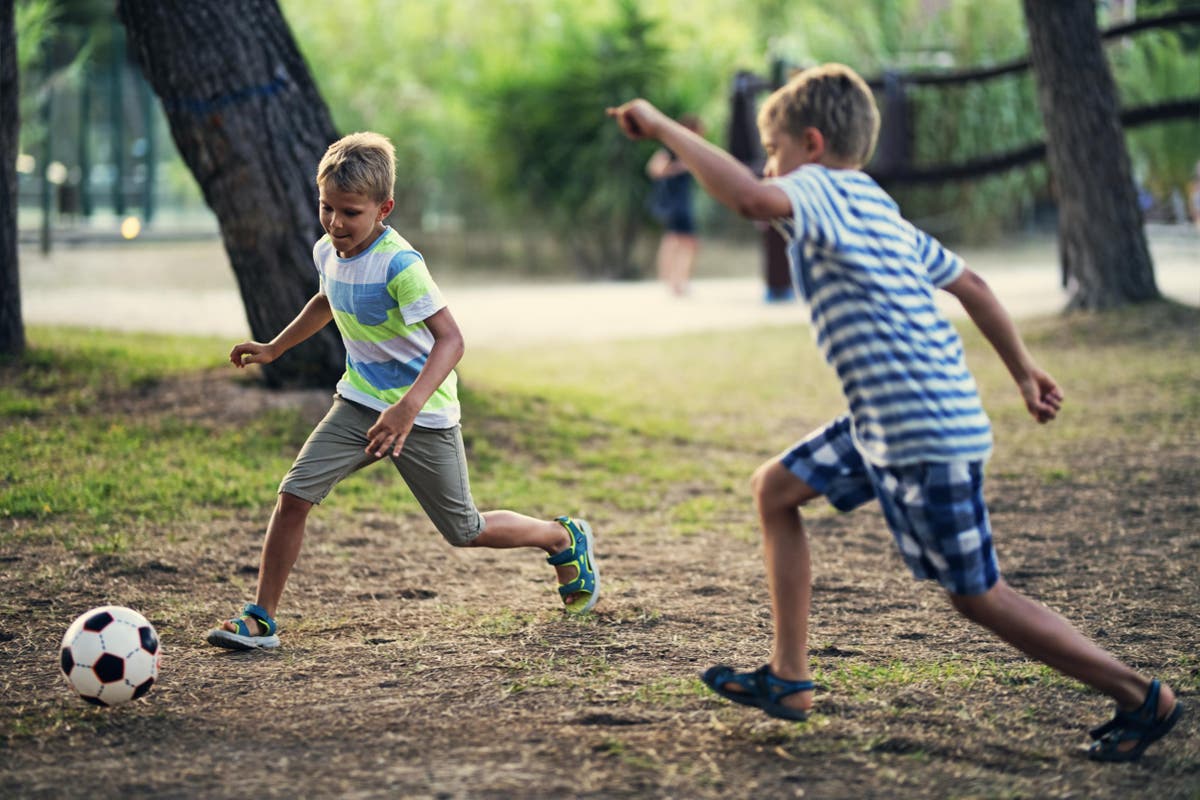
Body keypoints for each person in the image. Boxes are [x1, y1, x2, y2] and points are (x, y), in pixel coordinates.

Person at [607, 64, 1182, 762]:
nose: (770, 167)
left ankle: (1140, 696)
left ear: (811, 145)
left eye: (775, 150)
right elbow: (969, 281)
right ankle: (789, 681)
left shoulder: (814, 187)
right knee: (776, 489)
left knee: (979, 597)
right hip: (889, 419)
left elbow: (752, 200)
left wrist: (664, 125)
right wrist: (1024, 372)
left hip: (920, 429)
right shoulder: (871, 200)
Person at [206, 132, 599, 651]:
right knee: (294, 496)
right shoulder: (328, 249)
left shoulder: (400, 265)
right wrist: (276, 348)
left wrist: (408, 407)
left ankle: (561, 536)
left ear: (383, 209)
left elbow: (452, 340)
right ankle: (261, 618)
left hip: (423, 415)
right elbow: (327, 299)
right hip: (358, 404)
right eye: (326, 207)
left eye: (350, 212)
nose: (335, 223)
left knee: (464, 529)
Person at [646, 114, 703, 296]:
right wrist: (682, 166)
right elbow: (655, 169)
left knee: (676, 241)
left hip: (681, 202)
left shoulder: (687, 149)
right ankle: (675, 282)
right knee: (684, 242)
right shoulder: (673, 148)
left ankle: (676, 281)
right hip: (675, 203)